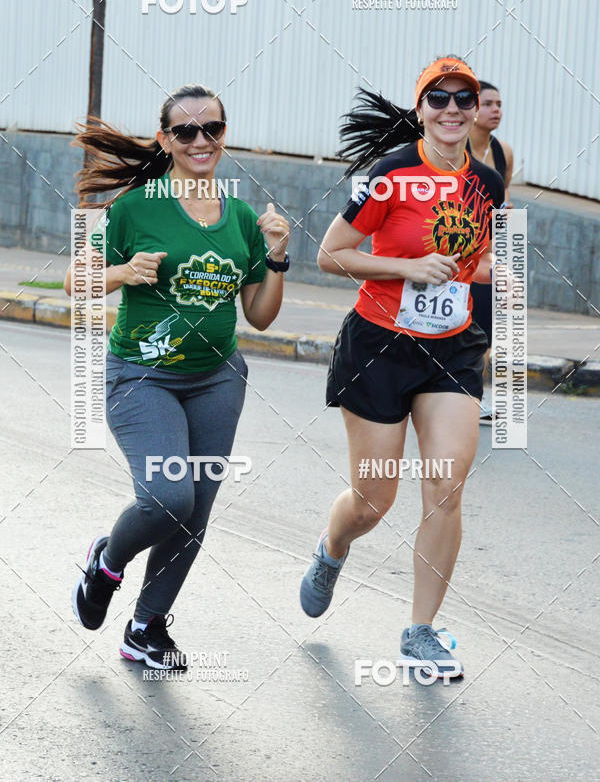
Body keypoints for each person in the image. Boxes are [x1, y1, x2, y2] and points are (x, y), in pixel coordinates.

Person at [65, 84, 290, 668]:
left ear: (223, 135)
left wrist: (277, 258)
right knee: (168, 497)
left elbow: (261, 317)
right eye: (185, 131)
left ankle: (145, 628)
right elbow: (73, 284)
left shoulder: (241, 218)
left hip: (218, 378)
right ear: (165, 139)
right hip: (142, 376)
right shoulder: (135, 208)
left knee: (195, 512)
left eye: (210, 129)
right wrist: (123, 272)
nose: (200, 141)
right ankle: (107, 563)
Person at [299, 56, 504, 678]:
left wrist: (490, 294)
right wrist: (408, 269)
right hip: (380, 346)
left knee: (446, 487)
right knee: (373, 499)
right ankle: (333, 548)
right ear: (421, 109)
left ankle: (420, 632)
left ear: (475, 110)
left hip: (451, 349)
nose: (451, 109)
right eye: (437, 99)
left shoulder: (488, 183)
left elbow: (486, 257)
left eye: (463, 99)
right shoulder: (389, 174)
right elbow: (330, 253)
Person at [466, 81, 514, 422]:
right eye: (489, 103)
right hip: (449, 252)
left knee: (484, 330)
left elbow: (503, 198)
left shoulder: (502, 152)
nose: (496, 109)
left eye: (499, 104)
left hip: (486, 255)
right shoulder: (453, 146)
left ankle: (471, 396)